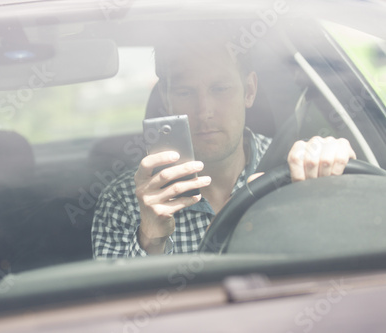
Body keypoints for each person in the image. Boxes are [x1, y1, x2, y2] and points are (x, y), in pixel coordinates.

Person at [91, 32, 356, 258]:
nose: (205, 110)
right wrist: (150, 241)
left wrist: (335, 172)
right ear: (166, 99)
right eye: (185, 92)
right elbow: (113, 313)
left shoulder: (297, 168)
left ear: (249, 90)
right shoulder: (125, 201)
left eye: (220, 89)